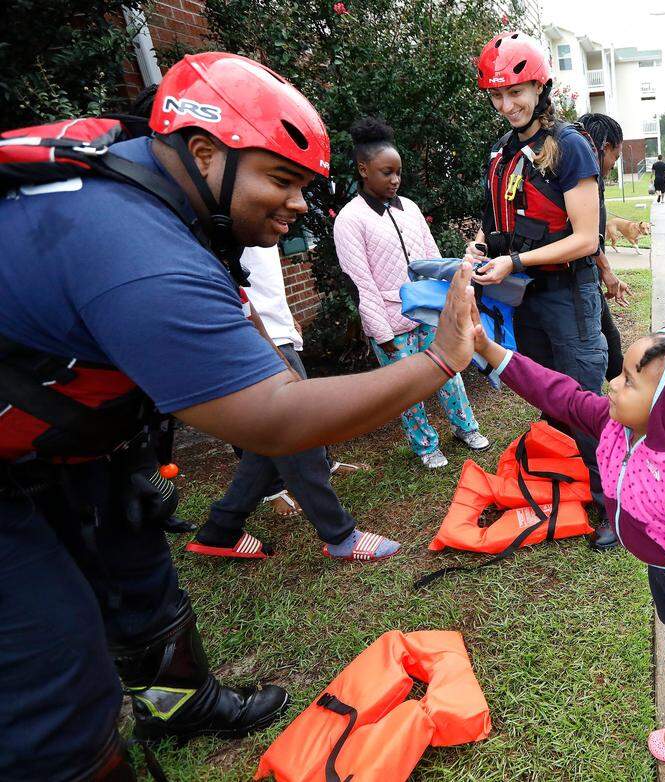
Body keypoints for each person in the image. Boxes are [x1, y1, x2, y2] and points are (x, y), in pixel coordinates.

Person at [0, 52, 481, 779]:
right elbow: (274, 417)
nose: (296, 206)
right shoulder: (134, 245)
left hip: (69, 441)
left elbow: (252, 352)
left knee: (136, 566)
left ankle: (179, 704)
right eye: (280, 180)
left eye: (304, 186)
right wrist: (438, 361)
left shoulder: (160, 196)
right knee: (55, 663)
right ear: (202, 153)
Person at [472, 322, 665, 762]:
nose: (611, 384)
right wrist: (490, 351)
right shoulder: (614, 424)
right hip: (660, 565)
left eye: (628, 380)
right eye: (620, 373)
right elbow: (557, 393)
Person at [465, 32, 613, 546]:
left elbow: (586, 238)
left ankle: (612, 504)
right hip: (524, 296)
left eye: (516, 92)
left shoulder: (569, 147)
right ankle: (566, 476)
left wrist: (515, 260)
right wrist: (479, 249)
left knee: (586, 400)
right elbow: (495, 221)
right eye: (497, 95)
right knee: (547, 396)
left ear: (540, 86)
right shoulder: (501, 151)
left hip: (569, 296)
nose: (507, 105)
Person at [188, 244, 398, 562]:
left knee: (275, 437)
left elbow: (247, 288)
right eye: (284, 189)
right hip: (254, 342)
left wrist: (282, 320)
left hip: (271, 332)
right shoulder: (210, 223)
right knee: (300, 437)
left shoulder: (236, 222)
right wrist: (266, 342)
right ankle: (341, 536)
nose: (298, 206)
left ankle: (221, 528)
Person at [334, 117, 489, 470]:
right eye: (386, 172)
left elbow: (433, 262)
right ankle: (425, 446)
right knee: (407, 392)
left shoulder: (410, 209)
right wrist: (381, 333)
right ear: (363, 170)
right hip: (390, 321)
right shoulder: (349, 219)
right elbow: (362, 285)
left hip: (428, 312)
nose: (395, 180)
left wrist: (452, 304)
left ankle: (466, 427)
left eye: (398, 172)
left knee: (450, 372)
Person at [579, 112, 634, 385]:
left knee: (612, 350)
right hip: (576, 286)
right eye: (617, 154)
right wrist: (607, 271)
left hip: (587, 280)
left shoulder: (590, 179)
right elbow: (584, 237)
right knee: (598, 359)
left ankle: (629, 416)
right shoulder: (581, 180)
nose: (615, 163)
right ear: (605, 146)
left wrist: (606, 274)